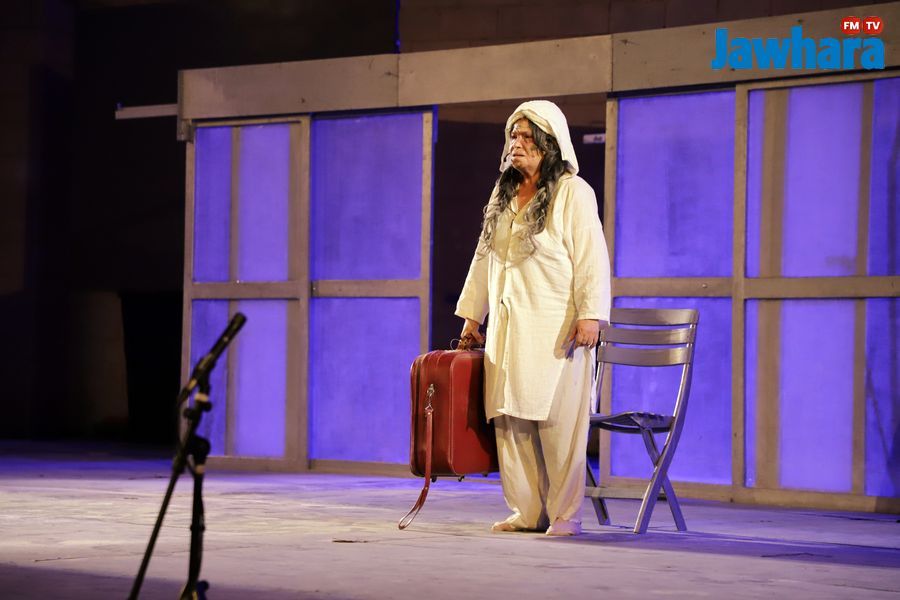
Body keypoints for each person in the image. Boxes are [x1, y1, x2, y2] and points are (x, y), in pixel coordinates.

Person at [455, 100, 611, 536]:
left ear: (548, 144)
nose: (517, 144)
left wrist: (591, 314)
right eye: (513, 135)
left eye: (527, 137)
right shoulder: (503, 193)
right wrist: (472, 316)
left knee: (559, 425)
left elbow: (591, 257)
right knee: (510, 420)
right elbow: (484, 256)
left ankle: (565, 515)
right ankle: (526, 512)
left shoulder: (573, 193)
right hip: (509, 327)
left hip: (556, 329)